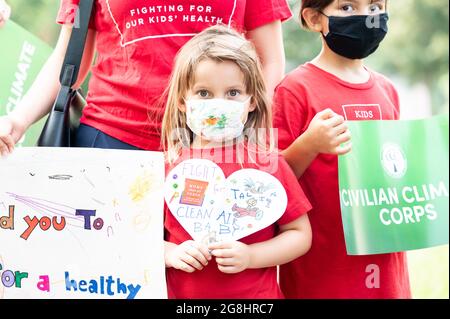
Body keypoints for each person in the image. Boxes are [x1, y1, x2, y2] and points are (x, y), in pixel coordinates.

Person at [0, 0, 291, 155]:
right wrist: (17, 121)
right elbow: (69, 58)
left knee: (199, 264)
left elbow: (271, 61)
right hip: (111, 140)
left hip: (213, 145)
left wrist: (229, 126)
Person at [273, 0, 411, 298]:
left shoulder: (387, 91)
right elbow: (271, 181)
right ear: (313, 19)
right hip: (323, 270)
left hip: (385, 267)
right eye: (347, 8)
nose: (365, 17)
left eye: (374, 7)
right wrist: (309, 144)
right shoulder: (294, 89)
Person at [162, 25, 312, 299]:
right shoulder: (168, 167)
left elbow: (299, 234)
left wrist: (251, 256)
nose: (218, 104)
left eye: (232, 93)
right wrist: (170, 253)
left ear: (252, 100)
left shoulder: (269, 164)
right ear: (183, 101)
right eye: (204, 93)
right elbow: (139, 233)